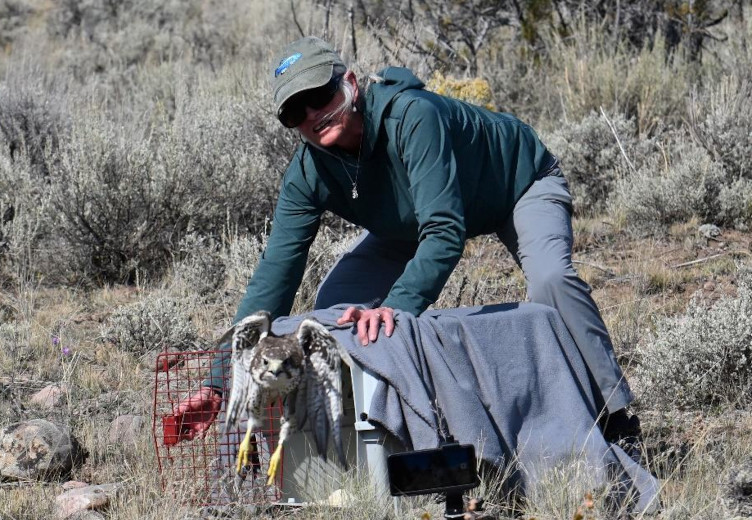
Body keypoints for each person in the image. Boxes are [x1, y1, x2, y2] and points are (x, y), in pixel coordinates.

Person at [177, 36, 640, 445]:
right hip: (408, 222)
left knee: (551, 280)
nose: (314, 115)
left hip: (516, 184)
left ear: (350, 83)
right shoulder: (308, 173)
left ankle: (616, 415)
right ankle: (372, 431)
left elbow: (444, 231)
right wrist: (219, 381)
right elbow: (274, 274)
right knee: (338, 303)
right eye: (295, 112)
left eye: (319, 96)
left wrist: (396, 307)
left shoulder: (411, 116)